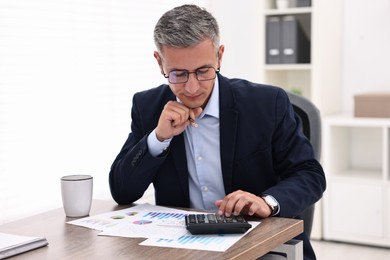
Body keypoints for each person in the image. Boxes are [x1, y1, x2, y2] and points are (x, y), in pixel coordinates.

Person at [109, 4, 326, 260]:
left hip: (261, 246)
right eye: (178, 74)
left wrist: (267, 202)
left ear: (219, 56)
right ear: (160, 62)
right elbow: (122, 192)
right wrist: (159, 138)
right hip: (184, 249)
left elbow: (310, 175)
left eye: (203, 71)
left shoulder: (267, 103)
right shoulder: (148, 107)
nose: (191, 88)